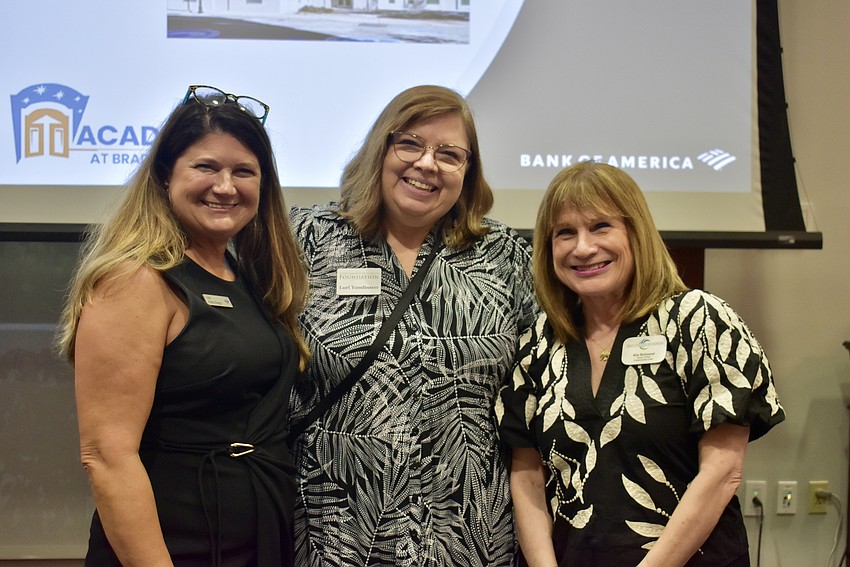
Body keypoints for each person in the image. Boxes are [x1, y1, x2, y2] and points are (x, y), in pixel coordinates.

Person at [289, 84, 539, 565]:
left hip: (469, 535)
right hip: (337, 532)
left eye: (449, 154)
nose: (427, 163)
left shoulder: (503, 255)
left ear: (467, 173)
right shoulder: (309, 239)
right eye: (409, 144)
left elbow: (543, 380)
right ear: (380, 149)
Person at [58, 85, 308, 566]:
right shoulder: (134, 279)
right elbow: (107, 458)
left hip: (255, 540)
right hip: (175, 547)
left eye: (244, 171)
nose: (226, 186)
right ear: (164, 177)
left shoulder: (247, 277)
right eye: (206, 167)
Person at [496, 161, 785, 567]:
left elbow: (722, 473)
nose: (582, 247)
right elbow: (527, 477)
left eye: (601, 227)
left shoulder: (698, 321)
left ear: (636, 234)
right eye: (565, 233)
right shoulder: (538, 344)